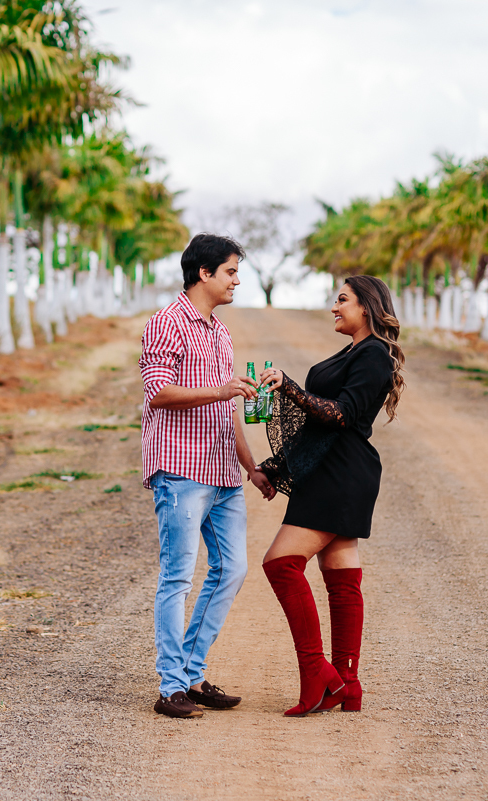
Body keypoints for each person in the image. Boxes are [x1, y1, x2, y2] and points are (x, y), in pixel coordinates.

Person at [254, 274, 405, 716]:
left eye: (342, 300)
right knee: (340, 579)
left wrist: (290, 385)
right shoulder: (355, 351)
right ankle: (348, 684)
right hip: (332, 469)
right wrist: (275, 466)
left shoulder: (375, 354)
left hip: (343, 472)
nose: (334, 307)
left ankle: (318, 673)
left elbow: (341, 415)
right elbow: (317, 428)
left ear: (367, 307)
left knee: (281, 564)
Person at [139, 233, 275, 719]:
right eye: (231, 271)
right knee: (177, 576)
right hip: (179, 469)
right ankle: (171, 685)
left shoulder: (220, 332)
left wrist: (252, 467)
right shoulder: (167, 323)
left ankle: (192, 673)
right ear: (204, 273)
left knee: (232, 570)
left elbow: (228, 410)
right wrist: (219, 390)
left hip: (222, 473)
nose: (237, 280)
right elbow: (157, 391)